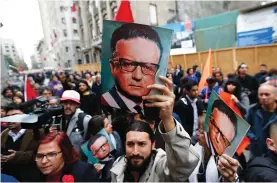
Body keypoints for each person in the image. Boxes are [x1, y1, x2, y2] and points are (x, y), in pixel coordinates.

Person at [110, 76, 199, 182]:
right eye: (130, 144)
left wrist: (168, 119)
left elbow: (181, 167)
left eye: (142, 144)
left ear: (153, 145)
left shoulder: (160, 166)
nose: (135, 151)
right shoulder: (118, 168)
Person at [101, 23, 162, 115]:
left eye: (148, 67)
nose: (137, 76)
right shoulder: (103, 108)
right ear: (113, 67)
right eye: (128, 64)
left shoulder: (157, 109)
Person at [24, 132, 99, 182]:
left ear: (64, 154)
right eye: (39, 156)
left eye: (51, 154)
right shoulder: (32, 175)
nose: (43, 161)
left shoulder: (84, 172)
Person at [189, 114, 240, 182]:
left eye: (202, 131)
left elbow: (232, 177)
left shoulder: (226, 159)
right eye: (197, 129)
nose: (197, 133)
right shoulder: (195, 148)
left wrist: (233, 179)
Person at [1, 105, 41, 181]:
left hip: (29, 177)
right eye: (8, 116)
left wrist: (17, 156)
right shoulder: (3, 134)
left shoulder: (37, 132)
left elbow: (40, 155)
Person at [246, 84, 277, 157]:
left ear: (276, 96)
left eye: (267, 94)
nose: (263, 97)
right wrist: (254, 138)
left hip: (274, 151)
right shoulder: (253, 109)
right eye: (261, 94)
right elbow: (246, 126)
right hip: (256, 150)